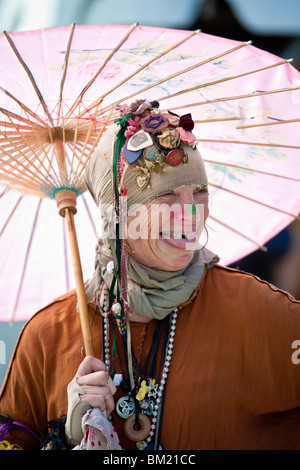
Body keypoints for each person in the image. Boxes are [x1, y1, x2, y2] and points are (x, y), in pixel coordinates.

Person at [1, 99, 300, 451]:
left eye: (200, 192)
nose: (191, 214)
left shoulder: (261, 313)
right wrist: (69, 437)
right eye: (167, 194)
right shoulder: (47, 335)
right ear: (118, 213)